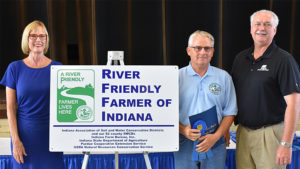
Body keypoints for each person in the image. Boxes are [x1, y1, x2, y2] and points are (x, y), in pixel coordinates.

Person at [231, 9, 300, 169]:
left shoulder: (284, 60)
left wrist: (286, 143)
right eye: (257, 24)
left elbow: (294, 104)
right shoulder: (240, 59)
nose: (261, 28)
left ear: (274, 30)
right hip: (243, 133)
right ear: (251, 28)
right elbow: (232, 98)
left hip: (271, 135)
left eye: (267, 24)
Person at [0, 20, 64, 169]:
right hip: (23, 138)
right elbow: (10, 107)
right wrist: (15, 139)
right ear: (26, 39)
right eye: (33, 35)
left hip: (51, 139)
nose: (38, 40)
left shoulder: (58, 68)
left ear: (46, 40)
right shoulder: (14, 68)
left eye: (42, 36)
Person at [174, 30, 237, 169]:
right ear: (189, 50)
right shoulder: (175, 78)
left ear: (213, 51)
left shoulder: (224, 78)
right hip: (184, 142)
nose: (203, 52)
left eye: (207, 48)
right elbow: (166, 112)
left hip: (215, 142)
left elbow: (230, 112)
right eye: (198, 48)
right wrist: (183, 130)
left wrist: (216, 136)